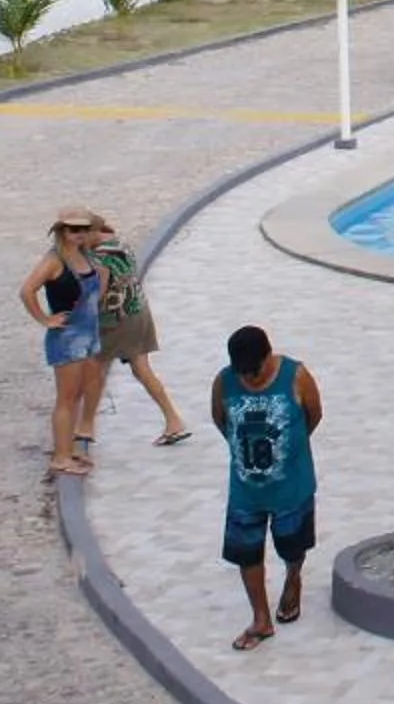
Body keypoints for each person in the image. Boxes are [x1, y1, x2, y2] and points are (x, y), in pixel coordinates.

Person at [214, 325, 322, 652]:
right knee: (247, 552)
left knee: (292, 546)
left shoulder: (295, 376)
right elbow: (221, 421)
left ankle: (293, 578)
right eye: (243, 372)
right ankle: (261, 619)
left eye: (256, 370)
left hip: (292, 486)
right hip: (246, 490)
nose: (251, 378)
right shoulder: (224, 382)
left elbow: (313, 416)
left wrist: (289, 452)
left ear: (268, 356)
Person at [19, 206, 108, 480]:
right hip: (68, 337)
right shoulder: (54, 260)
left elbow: (106, 237)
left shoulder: (86, 254)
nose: (80, 234)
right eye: (74, 229)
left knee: (82, 391)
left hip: (89, 333)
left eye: (84, 229)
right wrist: (45, 320)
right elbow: (27, 290)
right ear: (62, 231)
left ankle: (68, 447)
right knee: (67, 398)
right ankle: (61, 457)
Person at [89, 220, 193, 446]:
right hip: (139, 311)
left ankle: (84, 428)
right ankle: (173, 420)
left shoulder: (100, 260)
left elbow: (98, 295)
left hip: (118, 320)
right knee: (142, 370)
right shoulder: (119, 244)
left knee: (95, 368)